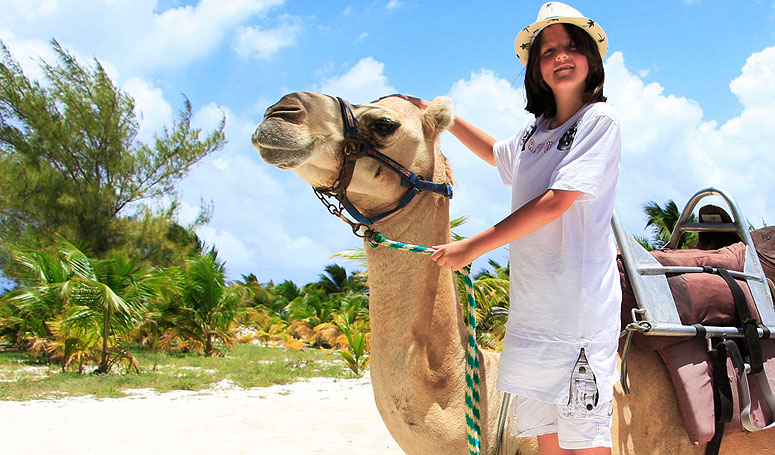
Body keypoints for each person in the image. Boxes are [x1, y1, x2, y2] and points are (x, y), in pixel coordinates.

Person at [408, 3, 621, 454]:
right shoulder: (534, 133)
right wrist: (437, 115)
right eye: (547, 51)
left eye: (570, 47)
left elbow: (558, 201)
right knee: (548, 439)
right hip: (534, 311)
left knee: (585, 441)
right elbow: (496, 153)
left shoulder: (599, 121)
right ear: (536, 68)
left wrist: (474, 246)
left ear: (590, 58)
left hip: (578, 311)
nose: (560, 57)